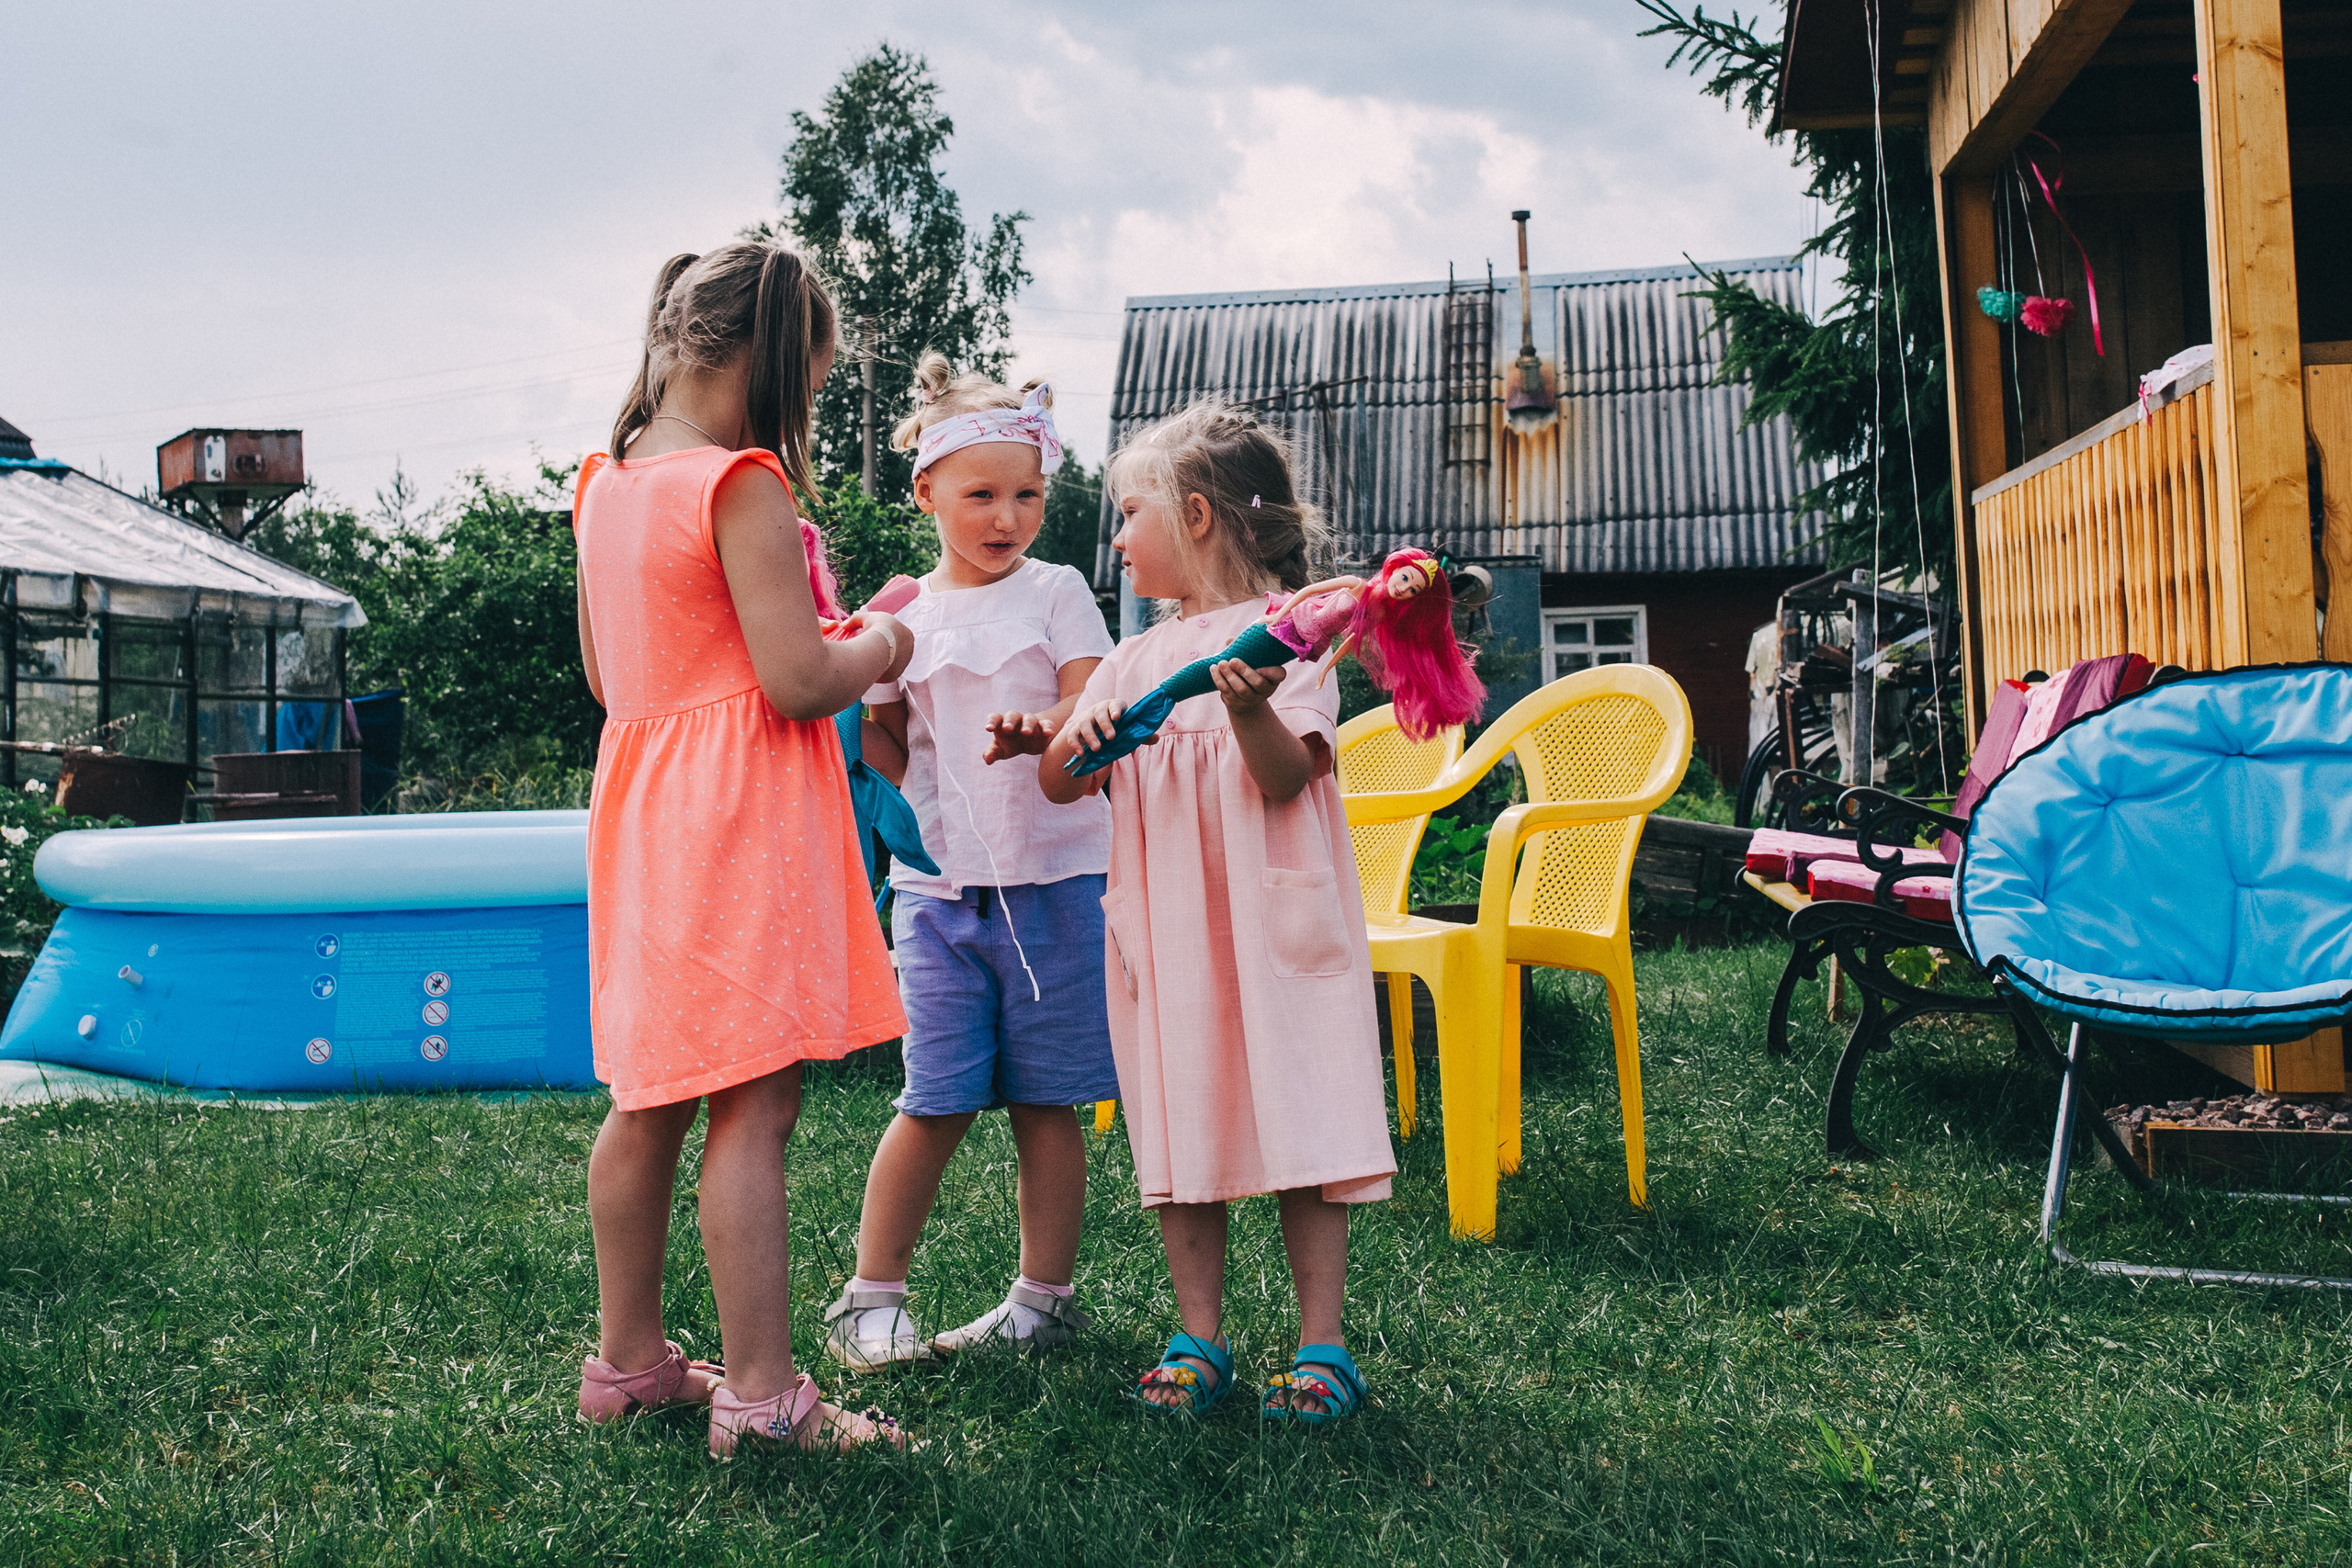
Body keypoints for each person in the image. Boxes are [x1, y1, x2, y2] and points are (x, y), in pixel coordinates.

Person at [571, 241, 914, 1457]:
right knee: (754, 1100)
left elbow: (608, 675)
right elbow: (799, 679)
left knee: (651, 1094)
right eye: (809, 383)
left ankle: (628, 1362)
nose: (803, 407)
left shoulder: (603, 482)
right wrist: (883, 640)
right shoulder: (740, 482)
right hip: (734, 820)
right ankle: (765, 1398)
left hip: (644, 810)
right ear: (771, 361)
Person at [1039, 400, 1395, 1425]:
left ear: (1195, 516)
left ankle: (1323, 1348)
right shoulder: (1131, 661)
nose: (1117, 539)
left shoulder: (1293, 639)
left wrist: (1246, 706)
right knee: (1182, 1120)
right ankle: (1199, 1335)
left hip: (1274, 934)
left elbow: (1284, 778)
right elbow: (1061, 782)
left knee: (1303, 1120)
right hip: (1173, 938)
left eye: (1130, 514)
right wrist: (1079, 740)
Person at [826, 354, 1119, 1369]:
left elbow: (1089, 700)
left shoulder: (1058, 590)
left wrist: (1044, 726)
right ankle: (871, 1300)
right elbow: (885, 747)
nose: (1007, 517)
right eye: (981, 496)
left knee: (1048, 1101)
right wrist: (852, 697)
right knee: (935, 1098)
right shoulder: (900, 616)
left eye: (1026, 495)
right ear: (927, 494)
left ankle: (1044, 1301)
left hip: (1059, 885)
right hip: (938, 895)